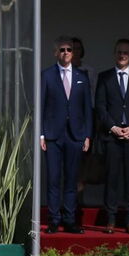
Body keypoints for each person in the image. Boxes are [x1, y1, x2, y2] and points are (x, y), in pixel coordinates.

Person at [95, 39, 129, 234]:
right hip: (112, 136)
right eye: (119, 52)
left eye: (125, 52)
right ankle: (110, 219)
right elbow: (100, 106)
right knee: (112, 178)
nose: (122, 55)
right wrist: (112, 127)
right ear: (114, 53)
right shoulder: (105, 77)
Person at [39, 36, 92, 234]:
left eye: (69, 49)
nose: (66, 53)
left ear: (74, 52)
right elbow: (41, 106)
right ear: (56, 53)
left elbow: (88, 108)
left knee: (71, 179)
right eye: (62, 50)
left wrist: (87, 134)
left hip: (75, 135)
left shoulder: (81, 76)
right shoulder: (47, 75)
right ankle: (54, 219)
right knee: (53, 178)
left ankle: (69, 220)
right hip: (53, 135)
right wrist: (41, 135)